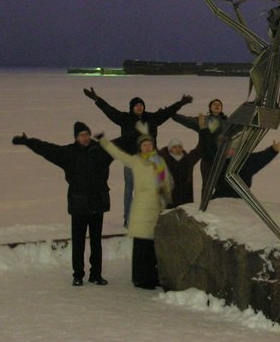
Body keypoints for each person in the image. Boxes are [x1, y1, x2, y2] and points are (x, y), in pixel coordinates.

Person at [12, 122, 112, 286]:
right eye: (81, 135)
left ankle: (96, 274)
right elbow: (48, 149)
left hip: (96, 204)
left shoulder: (100, 151)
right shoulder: (69, 153)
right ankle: (78, 275)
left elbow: (121, 146)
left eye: (87, 134)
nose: (85, 138)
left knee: (96, 242)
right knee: (78, 242)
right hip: (79, 205)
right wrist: (28, 142)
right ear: (76, 137)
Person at [83, 87, 192, 227]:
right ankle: (128, 219)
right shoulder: (124, 118)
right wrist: (97, 99)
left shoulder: (152, 118)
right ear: (131, 108)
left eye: (141, 104)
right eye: (136, 105)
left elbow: (167, 112)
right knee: (130, 190)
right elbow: (110, 111)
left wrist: (180, 103)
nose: (139, 107)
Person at [98, 132, 173, 290]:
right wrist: (104, 142)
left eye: (149, 144)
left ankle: (152, 277)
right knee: (141, 245)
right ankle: (139, 278)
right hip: (141, 209)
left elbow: (166, 182)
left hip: (156, 208)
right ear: (140, 147)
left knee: (152, 246)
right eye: (144, 145)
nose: (147, 147)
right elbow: (118, 154)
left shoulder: (159, 162)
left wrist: (166, 194)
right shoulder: (136, 161)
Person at [197, 114, 280, 199]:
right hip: (221, 200)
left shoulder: (246, 161)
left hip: (237, 202)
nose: (229, 150)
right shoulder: (219, 159)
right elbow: (208, 146)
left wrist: (273, 150)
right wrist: (204, 129)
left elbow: (262, 158)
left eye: (232, 148)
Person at [172, 98, 227, 184]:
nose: (217, 106)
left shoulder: (227, 122)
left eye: (219, 104)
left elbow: (241, 126)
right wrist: (171, 114)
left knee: (221, 185)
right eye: (214, 104)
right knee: (206, 185)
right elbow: (187, 120)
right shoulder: (203, 120)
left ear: (221, 108)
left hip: (220, 157)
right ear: (210, 108)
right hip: (207, 157)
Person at [159, 137, 202, 207]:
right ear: (170, 149)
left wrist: (204, 131)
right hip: (169, 202)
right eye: (174, 147)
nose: (177, 149)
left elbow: (200, 149)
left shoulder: (188, 160)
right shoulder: (164, 160)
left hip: (185, 200)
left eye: (179, 146)